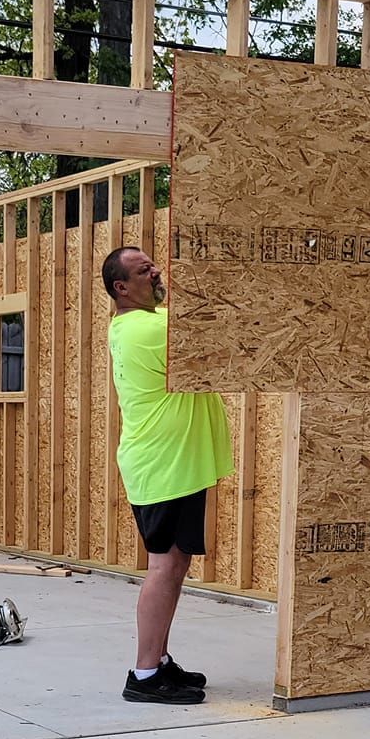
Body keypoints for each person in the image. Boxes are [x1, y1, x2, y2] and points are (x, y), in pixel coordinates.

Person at [103, 245, 232, 704]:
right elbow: (221, 337)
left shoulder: (141, 323)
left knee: (175, 564)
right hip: (164, 465)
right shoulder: (149, 329)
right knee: (163, 567)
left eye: (153, 264)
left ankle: (157, 660)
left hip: (172, 465)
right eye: (144, 270)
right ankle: (143, 675)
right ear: (122, 287)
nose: (156, 272)